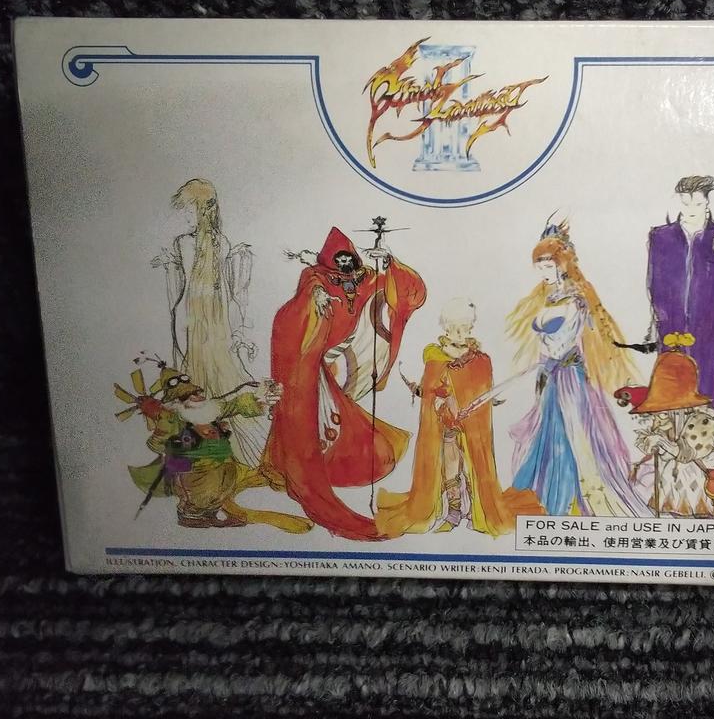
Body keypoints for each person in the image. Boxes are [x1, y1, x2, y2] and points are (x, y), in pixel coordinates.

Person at [264, 226, 426, 540]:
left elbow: (411, 292)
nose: (345, 269)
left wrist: (390, 262)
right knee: (310, 422)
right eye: (338, 264)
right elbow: (307, 290)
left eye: (348, 262)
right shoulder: (317, 278)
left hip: (345, 359)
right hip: (313, 363)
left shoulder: (368, 278)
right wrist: (316, 295)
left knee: (343, 426)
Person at [506, 219, 648, 518]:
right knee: (549, 431)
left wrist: (550, 361)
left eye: (548, 266)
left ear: (562, 265)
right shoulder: (548, 298)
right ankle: (547, 494)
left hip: (568, 376)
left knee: (574, 433)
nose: (543, 272)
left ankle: (572, 499)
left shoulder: (576, 300)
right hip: (550, 375)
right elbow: (545, 342)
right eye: (539, 267)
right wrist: (543, 365)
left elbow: (563, 343)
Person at [377, 298, 542, 536]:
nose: (459, 333)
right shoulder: (434, 356)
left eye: (464, 327)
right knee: (449, 462)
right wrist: (434, 395)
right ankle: (454, 510)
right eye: (454, 328)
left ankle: (475, 509)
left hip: (471, 423)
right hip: (443, 422)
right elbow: (430, 388)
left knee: (473, 460)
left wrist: (484, 399)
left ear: (470, 327)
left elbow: (481, 388)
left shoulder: (480, 360)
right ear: (445, 327)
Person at [151, 178, 266, 468]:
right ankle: (212, 452)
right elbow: (222, 293)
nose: (185, 216)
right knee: (204, 386)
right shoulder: (211, 243)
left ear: (202, 209)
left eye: (188, 209)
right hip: (208, 326)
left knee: (200, 385)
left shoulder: (192, 244)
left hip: (203, 325)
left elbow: (184, 295)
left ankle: (211, 454)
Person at [121, 364, 313, 531]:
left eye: (196, 392)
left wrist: (258, 398)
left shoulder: (211, 410)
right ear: (176, 403)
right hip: (201, 477)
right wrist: (163, 421)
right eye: (187, 396)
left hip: (230, 469)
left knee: (252, 475)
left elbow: (234, 405)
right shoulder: (174, 421)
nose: (196, 397)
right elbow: (157, 444)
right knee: (208, 493)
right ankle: (195, 515)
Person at [646, 175, 714, 407]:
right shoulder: (661, 237)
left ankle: (708, 427)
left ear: (707, 203)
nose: (691, 209)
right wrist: (658, 321)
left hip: (710, 328)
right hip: (670, 325)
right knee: (670, 387)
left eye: (697, 203)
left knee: (706, 388)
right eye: (685, 203)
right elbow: (654, 284)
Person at [629, 348, 714, 517]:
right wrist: (653, 443)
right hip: (692, 486)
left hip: (713, 488)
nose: (657, 419)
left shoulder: (705, 421)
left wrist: (661, 442)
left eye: (662, 412)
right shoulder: (676, 422)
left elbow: (686, 454)